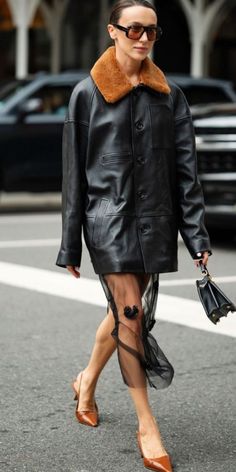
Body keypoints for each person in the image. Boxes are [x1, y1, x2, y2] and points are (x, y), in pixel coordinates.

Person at [56, 1, 211, 471]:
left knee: (125, 312)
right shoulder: (86, 94)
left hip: (156, 220)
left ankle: (86, 381)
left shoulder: (172, 96)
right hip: (107, 219)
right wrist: (70, 243)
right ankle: (147, 424)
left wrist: (197, 237)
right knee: (129, 313)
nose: (143, 38)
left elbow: (187, 171)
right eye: (134, 29)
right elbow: (73, 177)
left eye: (152, 31)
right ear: (113, 31)